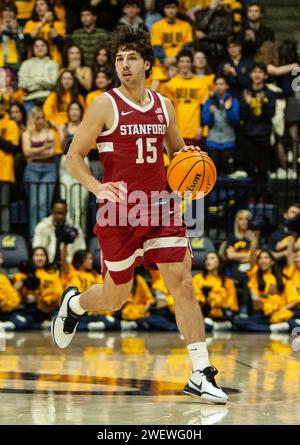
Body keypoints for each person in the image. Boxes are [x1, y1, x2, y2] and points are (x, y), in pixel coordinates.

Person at [51, 26, 228, 404]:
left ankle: (201, 371)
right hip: (120, 214)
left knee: (182, 283)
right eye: (119, 59)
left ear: (147, 63)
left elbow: (179, 153)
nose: (125, 64)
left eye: (132, 58)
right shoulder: (104, 104)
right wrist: (98, 188)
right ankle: (75, 304)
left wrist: (194, 166)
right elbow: (73, 157)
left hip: (162, 208)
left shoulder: (164, 105)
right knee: (116, 298)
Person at [22, 106, 62, 236]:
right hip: (32, 169)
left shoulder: (49, 132)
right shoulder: (26, 133)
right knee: (33, 205)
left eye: (42, 117)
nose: (40, 120)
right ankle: (33, 236)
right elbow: (26, 152)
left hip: (48, 169)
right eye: (37, 118)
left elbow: (51, 153)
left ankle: (43, 235)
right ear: (32, 119)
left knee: (44, 204)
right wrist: (43, 148)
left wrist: (34, 153)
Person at [163, 50, 210, 145]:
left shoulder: (201, 84)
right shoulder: (170, 85)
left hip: (195, 132)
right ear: (178, 64)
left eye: (187, 61)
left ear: (192, 63)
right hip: (177, 132)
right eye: (182, 61)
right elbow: (167, 111)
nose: (184, 64)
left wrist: (202, 127)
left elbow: (205, 108)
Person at [240, 63, 276, 180]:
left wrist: (263, 104)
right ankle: (250, 198)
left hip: (263, 136)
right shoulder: (246, 93)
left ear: (265, 76)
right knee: (249, 169)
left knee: (263, 169)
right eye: (255, 72)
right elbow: (242, 116)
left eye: (260, 72)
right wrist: (249, 103)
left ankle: (263, 198)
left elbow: (270, 114)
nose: (257, 75)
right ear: (250, 74)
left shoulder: (269, 93)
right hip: (248, 136)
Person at [13, 246, 63, 329]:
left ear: (46, 258)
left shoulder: (53, 275)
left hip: (49, 310)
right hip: (29, 311)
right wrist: (24, 280)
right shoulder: (23, 274)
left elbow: (59, 294)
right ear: (32, 257)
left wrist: (45, 298)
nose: (39, 258)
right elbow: (13, 293)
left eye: (42, 255)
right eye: (36, 255)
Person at [58, 102, 89, 230]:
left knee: (80, 203)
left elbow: (87, 145)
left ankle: (80, 231)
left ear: (81, 112)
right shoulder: (63, 127)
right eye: (72, 109)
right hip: (66, 162)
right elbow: (63, 147)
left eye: (77, 109)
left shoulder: (86, 126)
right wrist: (62, 132)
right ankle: (68, 231)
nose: (74, 112)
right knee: (68, 201)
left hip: (81, 159)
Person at [150, 0, 193, 91]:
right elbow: (156, 47)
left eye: (173, 7)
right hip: (162, 65)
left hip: (180, 64)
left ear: (177, 9)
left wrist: (176, 59)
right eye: (168, 8)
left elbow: (187, 46)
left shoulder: (186, 26)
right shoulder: (157, 26)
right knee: (154, 86)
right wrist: (165, 60)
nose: (171, 10)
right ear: (164, 10)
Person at [202, 76, 240, 175]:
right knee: (212, 173)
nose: (219, 87)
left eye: (222, 84)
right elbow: (205, 121)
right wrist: (210, 113)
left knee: (228, 173)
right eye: (217, 84)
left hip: (228, 141)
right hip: (212, 141)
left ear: (227, 86)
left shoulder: (233, 101)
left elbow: (236, 121)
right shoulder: (209, 101)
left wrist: (228, 110)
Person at [193, 252, 239, 331]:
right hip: (202, 314)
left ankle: (218, 325)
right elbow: (196, 299)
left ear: (219, 262)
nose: (208, 261)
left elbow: (232, 305)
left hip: (221, 314)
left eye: (212, 258)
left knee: (239, 322)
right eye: (206, 259)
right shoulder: (197, 279)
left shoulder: (228, 282)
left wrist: (216, 301)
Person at [32, 198, 86, 265]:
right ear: (52, 211)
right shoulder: (42, 227)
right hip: (47, 266)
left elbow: (81, 252)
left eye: (62, 213)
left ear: (66, 212)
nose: (60, 216)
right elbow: (37, 250)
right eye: (57, 213)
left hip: (69, 267)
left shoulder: (75, 229)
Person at [18, 38, 59, 113]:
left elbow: (54, 83)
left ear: (47, 48)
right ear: (32, 49)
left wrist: (34, 82)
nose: (40, 48)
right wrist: (43, 83)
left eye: (42, 45)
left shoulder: (53, 64)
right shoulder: (26, 64)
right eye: (36, 46)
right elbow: (22, 84)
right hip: (30, 99)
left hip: (49, 97)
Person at [23, 0, 65, 64]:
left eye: (42, 4)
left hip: (54, 60)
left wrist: (51, 23)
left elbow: (59, 41)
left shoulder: (57, 24)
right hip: (34, 61)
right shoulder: (30, 23)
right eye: (37, 5)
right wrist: (43, 22)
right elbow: (27, 40)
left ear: (48, 7)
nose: (39, 7)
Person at [0, 2, 24, 73]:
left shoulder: (19, 29)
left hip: (14, 64)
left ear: (15, 14)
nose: (8, 13)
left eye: (11, 11)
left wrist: (15, 32)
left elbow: (22, 48)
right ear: (1, 13)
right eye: (5, 10)